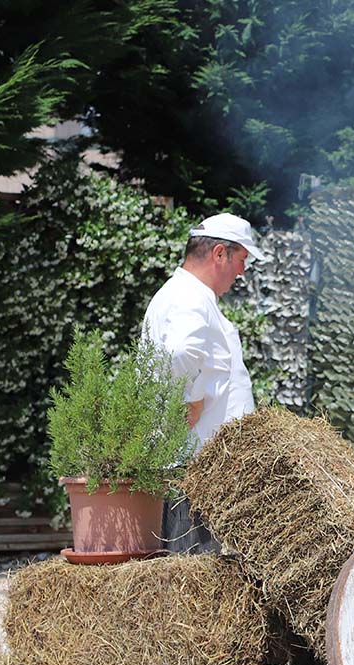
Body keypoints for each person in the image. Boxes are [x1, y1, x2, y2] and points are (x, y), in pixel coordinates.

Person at [142, 212, 267, 552]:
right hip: (196, 465)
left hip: (196, 465)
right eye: (242, 259)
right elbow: (180, 352)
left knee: (192, 574)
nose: (242, 272)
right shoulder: (191, 297)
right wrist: (191, 398)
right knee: (192, 572)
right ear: (219, 254)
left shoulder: (183, 294)